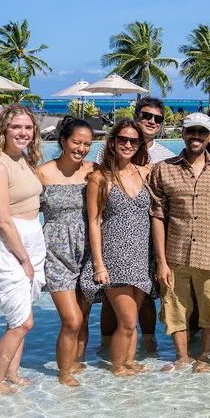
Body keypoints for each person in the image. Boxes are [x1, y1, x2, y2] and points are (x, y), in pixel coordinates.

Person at [148, 113, 210, 373]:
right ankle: (182, 356)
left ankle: (206, 357)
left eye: (201, 132)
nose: (196, 136)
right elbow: (158, 216)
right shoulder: (163, 169)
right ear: (183, 134)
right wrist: (161, 261)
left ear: (209, 136)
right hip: (175, 253)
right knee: (175, 309)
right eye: (190, 131)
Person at [0, 104, 46, 395]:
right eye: (16, 127)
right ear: (3, 128)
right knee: (23, 321)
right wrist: (24, 259)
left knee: (22, 314)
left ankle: (12, 372)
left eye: (28, 127)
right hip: (9, 244)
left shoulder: (25, 159)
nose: (23, 133)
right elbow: (3, 220)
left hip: (31, 237)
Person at [82, 119, 154, 377]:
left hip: (142, 256)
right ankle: (117, 367)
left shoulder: (145, 173)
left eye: (133, 141)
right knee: (126, 319)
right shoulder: (100, 178)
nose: (127, 144)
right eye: (122, 139)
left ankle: (129, 361)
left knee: (132, 320)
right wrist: (99, 264)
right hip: (114, 257)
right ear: (112, 142)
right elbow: (94, 221)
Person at [97, 96, 168, 354]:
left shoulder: (160, 160)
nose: (151, 121)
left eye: (157, 119)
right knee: (116, 307)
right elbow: (91, 187)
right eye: (146, 116)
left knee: (143, 303)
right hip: (115, 244)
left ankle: (141, 349)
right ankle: (110, 351)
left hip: (145, 243)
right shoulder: (104, 164)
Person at [36, 116, 95, 387]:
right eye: (76, 142)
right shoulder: (42, 173)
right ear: (63, 141)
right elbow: (21, 207)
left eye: (87, 144)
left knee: (83, 315)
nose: (81, 148)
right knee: (71, 319)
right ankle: (64, 373)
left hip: (88, 249)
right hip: (55, 252)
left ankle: (77, 361)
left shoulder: (94, 171)